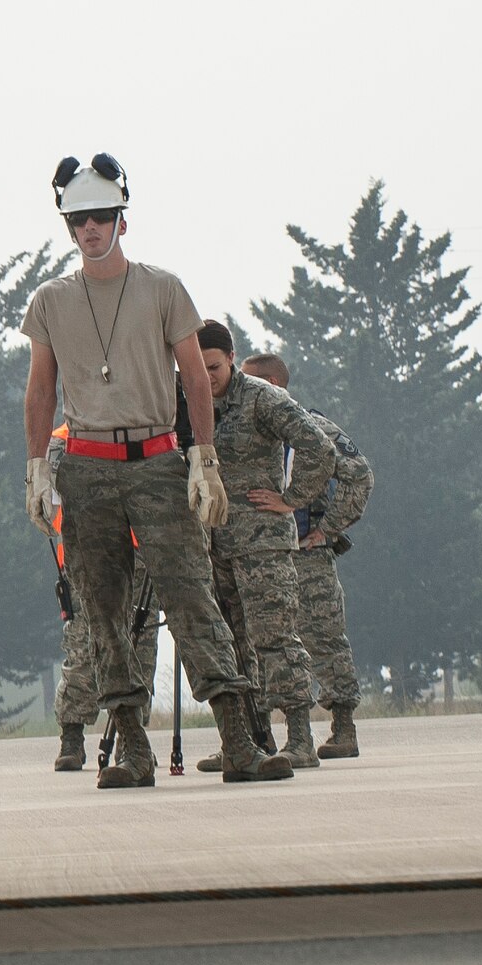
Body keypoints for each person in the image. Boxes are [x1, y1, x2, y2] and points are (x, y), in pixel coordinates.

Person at [21, 154, 290, 787]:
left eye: (102, 216)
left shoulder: (162, 287)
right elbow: (40, 390)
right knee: (101, 611)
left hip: (159, 462)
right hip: (86, 469)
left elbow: (195, 376)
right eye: (79, 219)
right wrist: (37, 468)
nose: (91, 228)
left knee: (193, 596)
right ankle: (132, 751)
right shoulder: (51, 301)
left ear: (122, 218)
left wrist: (204, 458)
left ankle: (238, 741)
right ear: (68, 226)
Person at [191, 321, 334, 770]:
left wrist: (291, 500)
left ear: (231, 358)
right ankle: (249, 742)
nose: (206, 375)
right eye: (197, 367)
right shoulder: (184, 401)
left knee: (274, 639)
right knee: (229, 646)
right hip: (212, 545)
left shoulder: (262, 398)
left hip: (261, 546)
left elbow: (319, 448)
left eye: (213, 366)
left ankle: (300, 738)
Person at [243, 352, 375, 759]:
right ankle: (259, 735)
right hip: (258, 555)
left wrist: (328, 529)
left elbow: (359, 476)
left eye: (252, 383)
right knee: (257, 645)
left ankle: (343, 729)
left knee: (326, 638)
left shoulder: (314, 430)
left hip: (306, 554)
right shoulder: (246, 431)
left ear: (274, 386)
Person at [50, 427, 160, 772]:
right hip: (91, 551)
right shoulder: (62, 439)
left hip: (144, 552)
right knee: (84, 646)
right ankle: (72, 736)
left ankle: (132, 736)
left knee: (141, 648)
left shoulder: (147, 421)